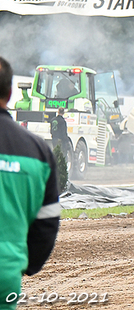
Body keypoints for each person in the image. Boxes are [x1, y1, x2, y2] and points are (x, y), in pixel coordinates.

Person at [0, 57, 60, 310]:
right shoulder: (37, 150)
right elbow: (48, 219)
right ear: (10, 92)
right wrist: (25, 263)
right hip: (6, 272)